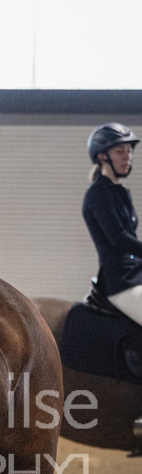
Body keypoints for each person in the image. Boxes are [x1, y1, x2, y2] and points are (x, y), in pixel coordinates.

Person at [83, 123, 142, 324]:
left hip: (135, 272)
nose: (127, 157)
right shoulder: (98, 193)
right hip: (119, 281)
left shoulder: (120, 193)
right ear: (102, 156)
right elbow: (119, 239)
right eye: (120, 152)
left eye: (129, 151)